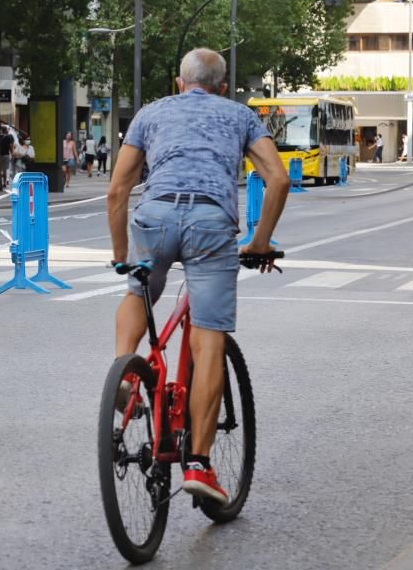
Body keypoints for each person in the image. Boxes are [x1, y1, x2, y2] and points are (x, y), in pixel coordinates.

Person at [107, 48, 288, 503]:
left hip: (156, 216)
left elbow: (117, 189)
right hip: (210, 225)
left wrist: (120, 253)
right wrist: (261, 241)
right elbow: (278, 179)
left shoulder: (152, 113)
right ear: (222, 86)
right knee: (210, 341)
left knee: (139, 288)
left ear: (178, 81)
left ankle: (124, 369)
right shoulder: (239, 115)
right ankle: (199, 465)